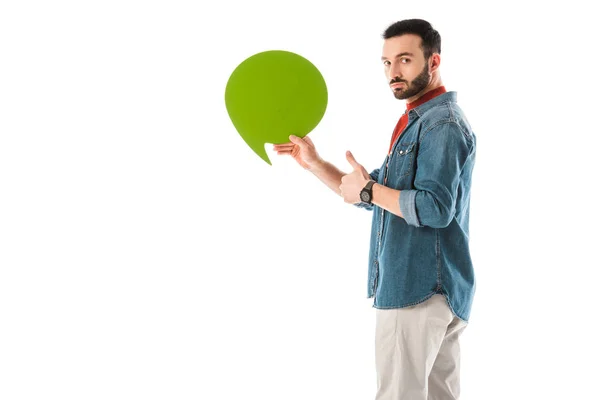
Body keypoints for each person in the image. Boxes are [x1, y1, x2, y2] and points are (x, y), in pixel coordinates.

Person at [274, 19, 476, 400]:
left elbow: (433, 209)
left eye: (404, 60)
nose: (393, 73)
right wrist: (315, 161)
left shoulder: (440, 125)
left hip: (415, 290)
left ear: (433, 62)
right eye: (386, 63)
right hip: (438, 291)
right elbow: (375, 197)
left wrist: (370, 191)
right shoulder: (419, 123)